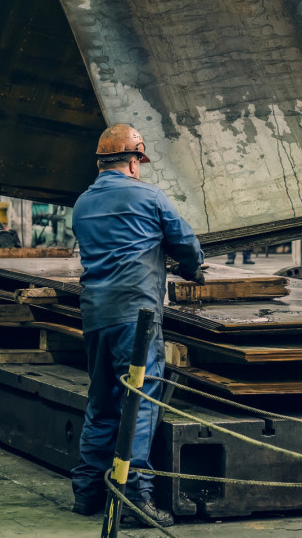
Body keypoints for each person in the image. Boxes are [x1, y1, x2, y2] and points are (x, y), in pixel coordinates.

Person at [70, 124, 205, 528]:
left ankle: (88, 491)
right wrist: (193, 268)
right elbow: (184, 242)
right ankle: (135, 495)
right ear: (134, 161)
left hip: (96, 315)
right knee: (141, 400)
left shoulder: (82, 203)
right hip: (137, 318)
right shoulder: (148, 195)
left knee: (102, 401)